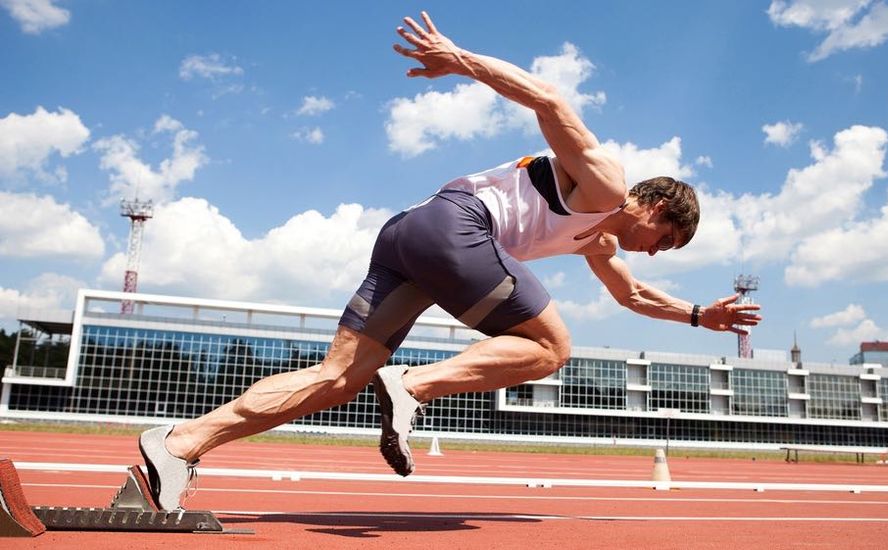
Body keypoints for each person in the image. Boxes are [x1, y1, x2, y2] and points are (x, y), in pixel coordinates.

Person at [138, 11, 762, 510]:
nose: (656, 251)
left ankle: (181, 443)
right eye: (665, 239)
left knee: (337, 378)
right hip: (457, 225)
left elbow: (631, 296)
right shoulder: (604, 184)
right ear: (654, 205)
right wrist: (458, 58)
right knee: (550, 348)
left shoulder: (596, 239)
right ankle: (412, 385)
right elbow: (548, 100)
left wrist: (698, 315)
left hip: (408, 237)